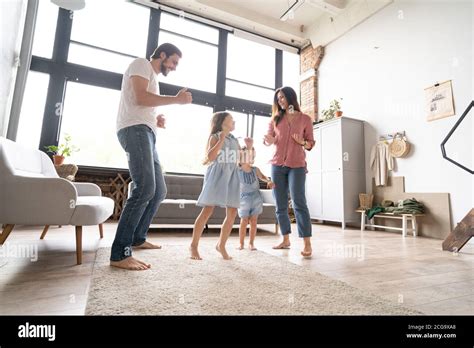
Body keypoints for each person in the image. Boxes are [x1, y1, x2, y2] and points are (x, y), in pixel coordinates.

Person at [110, 43, 192, 271]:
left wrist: (156, 121)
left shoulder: (152, 77)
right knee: (144, 188)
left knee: (158, 191)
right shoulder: (141, 64)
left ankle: (137, 237)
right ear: (162, 55)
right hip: (134, 130)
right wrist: (176, 99)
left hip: (145, 131)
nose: (174, 67)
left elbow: (144, 104)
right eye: (173, 61)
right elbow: (140, 98)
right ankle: (120, 253)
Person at [263, 86, 315, 258]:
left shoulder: (305, 119)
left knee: (299, 202)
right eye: (278, 99)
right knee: (280, 204)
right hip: (277, 165)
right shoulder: (275, 120)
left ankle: (307, 243)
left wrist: (302, 142)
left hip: (297, 165)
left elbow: (310, 144)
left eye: (283, 97)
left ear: (291, 98)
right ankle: (285, 239)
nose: (280, 101)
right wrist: (268, 140)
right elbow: (268, 140)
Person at [190, 112, 241, 260]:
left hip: (232, 176)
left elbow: (240, 161)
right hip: (217, 175)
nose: (234, 122)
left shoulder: (235, 140)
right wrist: (221, 140)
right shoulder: (215, 137)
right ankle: (193, 246)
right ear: (223, 121)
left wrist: (248, 149)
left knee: (232, 213)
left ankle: (221, 245)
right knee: (207, 210)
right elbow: (210, 157)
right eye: (232, 119)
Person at [237, 142, 275, 251]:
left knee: (254, 221)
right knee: (243, 221)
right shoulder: (237, 171)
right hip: (243, 199)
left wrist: (269, 181)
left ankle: (251, 243)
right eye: (247, 155)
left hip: (256, 198)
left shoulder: (255, 170)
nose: (250, 158)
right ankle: (241, 243)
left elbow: (263, 177)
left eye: (252, 156)